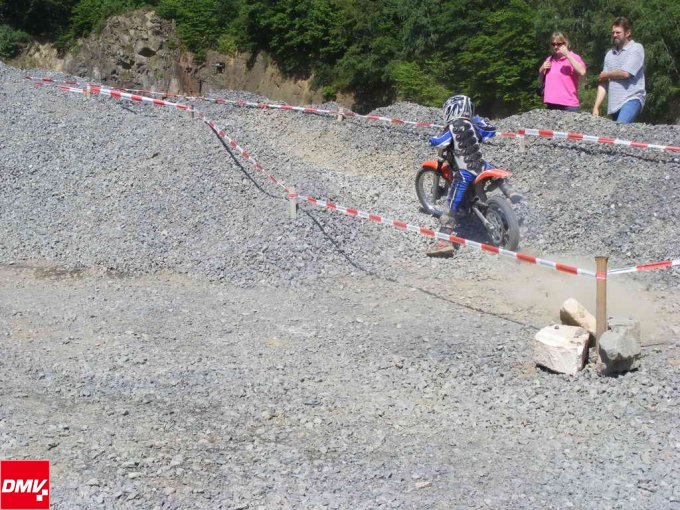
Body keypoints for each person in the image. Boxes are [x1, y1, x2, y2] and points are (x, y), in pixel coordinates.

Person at [425, 95, 494, 257]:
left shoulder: (452, 127)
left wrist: (432, 140)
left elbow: (440, 142)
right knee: (496, 177)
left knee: (451, 205)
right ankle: (512, 195)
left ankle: (444, 242)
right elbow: (489, 132)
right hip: (482, 167)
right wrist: (478, 121)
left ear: (452, 110)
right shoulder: (473, 125)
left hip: (464, 172)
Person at [592, 16, 646, 123]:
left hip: (632, 99)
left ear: (628, 33)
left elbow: (626, 73)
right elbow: (603, 82)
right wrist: (596, 106)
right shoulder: (609, 54)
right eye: (613, 33)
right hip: (614, 105)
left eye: (618, 32)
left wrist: (607, 75)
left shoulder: (636, 48)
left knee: (620, 127)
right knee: (619, 132)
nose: (614, 35)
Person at [538, 32, 586, 112]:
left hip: (569, 105)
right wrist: (541, 69)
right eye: (553, 44)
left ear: (566, 43)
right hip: (551, 104)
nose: (556, 47)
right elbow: (541, 81)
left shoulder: (574, 57)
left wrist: (568, 55)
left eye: (559, 44)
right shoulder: (549, 59)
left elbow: (582, 72)